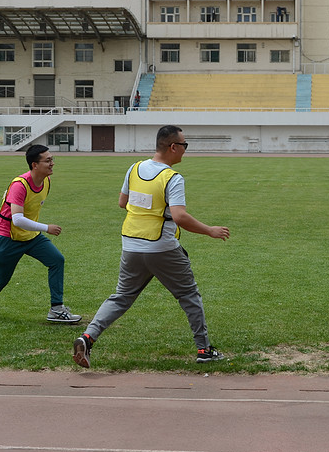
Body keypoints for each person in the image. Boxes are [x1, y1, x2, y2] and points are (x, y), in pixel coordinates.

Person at [73, 125, 229, 368]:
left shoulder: (134, 168)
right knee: (189, 295)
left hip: (131, 246)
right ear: (173, 147)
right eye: (184, 146)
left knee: (122, 297)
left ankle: (87, 337)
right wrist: (210, 230)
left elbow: (122, 202)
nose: (185, 151)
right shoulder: (172, 178)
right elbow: (180, 217)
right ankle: (204, 349)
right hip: (162, 248)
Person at [0, 144, 82, 324]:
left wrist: (37, 230)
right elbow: (17, 219)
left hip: (31, 237)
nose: (52, 164)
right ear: (35, 165)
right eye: (47, 160)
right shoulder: (20, 185)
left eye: (52, 159)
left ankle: (56, 309)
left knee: (57, 260)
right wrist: (46, 227)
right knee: (1, 278)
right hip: (8, 238)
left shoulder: (46, 181)